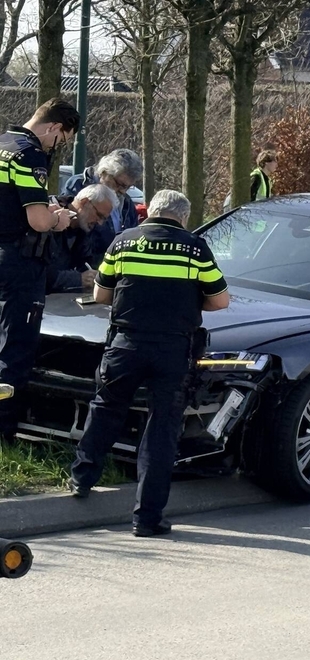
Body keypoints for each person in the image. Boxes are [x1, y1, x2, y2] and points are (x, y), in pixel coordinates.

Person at [68, 190, 230, 537]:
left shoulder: (124, 241)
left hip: (126, 344)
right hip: (173, 350)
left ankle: (81, 478)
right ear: (182, 218)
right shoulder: (194, 247)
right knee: (162, 428)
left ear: (151, 212)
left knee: (107, 408)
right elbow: (220, 301)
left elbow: (100, 295)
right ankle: (147, 518)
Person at [0, 98, 78, 442]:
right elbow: (38, 220)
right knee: (14, 348)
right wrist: (59, 219)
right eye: (62, 140)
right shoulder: (30, 154)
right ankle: (3, 430)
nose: (57, 147)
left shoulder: (3, 142)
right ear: (54, 128)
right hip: (18, 263)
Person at [63, 148, 143, 249]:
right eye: (120, 184)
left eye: (127, 187)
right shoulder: (79, 185)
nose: (122, 191)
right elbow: (70, 228)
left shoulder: (126, 202)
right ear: (104, 172)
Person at [46, 184, 118, 294]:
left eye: (104, 218)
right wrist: (78, 278)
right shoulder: (48, 216)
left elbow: (85, 263)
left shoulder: (83, 228)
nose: (100, 222)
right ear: (84, 202)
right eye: (99, 215)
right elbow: (38, 273)